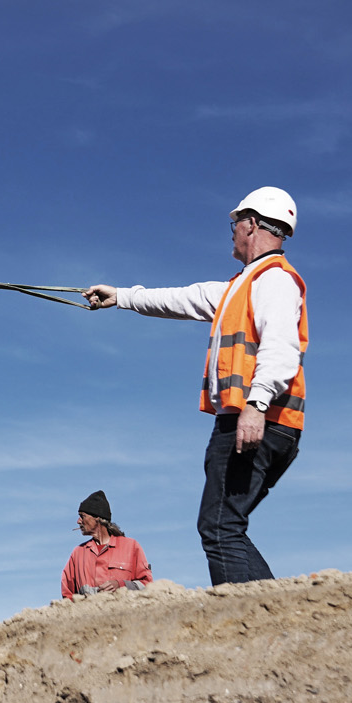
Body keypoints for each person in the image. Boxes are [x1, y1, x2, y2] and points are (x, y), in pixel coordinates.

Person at [83, 186, 306, 586]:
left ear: (251, 224)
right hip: (268, 422)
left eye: (234, 223)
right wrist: (122, 297)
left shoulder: (274, 281)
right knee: (225, 526)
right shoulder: (243, 285)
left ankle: (245, 621)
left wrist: (255, 405)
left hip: (255, 419)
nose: (231, 231)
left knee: (219, 528)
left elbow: (282, 349)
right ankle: (270, 608)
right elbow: (184, 299)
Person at [61, 491, 152, 600]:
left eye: (82, 516)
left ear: (97, 518)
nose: (78, 521)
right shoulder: (78, 553)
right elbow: (67, 595)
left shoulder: (131, 547)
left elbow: (147, 584)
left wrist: (121, 585)